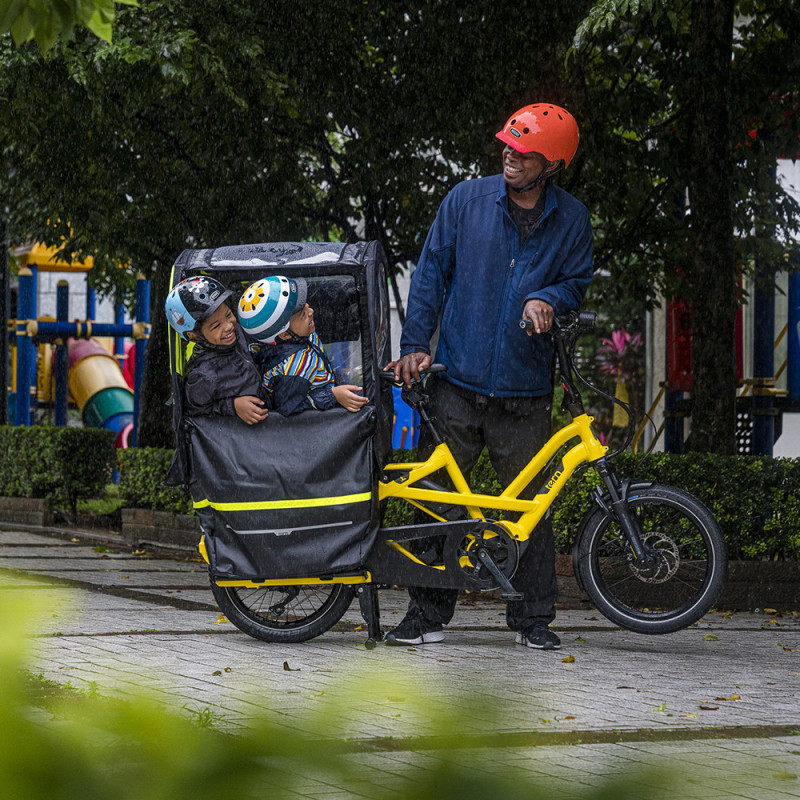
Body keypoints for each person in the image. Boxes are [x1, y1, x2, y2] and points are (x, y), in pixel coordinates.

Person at [387, 102, 594, 651]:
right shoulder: (465, 201)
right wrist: (414, 346)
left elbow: (576, 283)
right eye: (507, 143)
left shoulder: (572, 220)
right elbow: (430, 275)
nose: (509, 154)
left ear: (551, 165)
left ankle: (533, 621)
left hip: (525, 392)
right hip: (455, 382)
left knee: (532, 509)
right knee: (436, 499)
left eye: (524, 151)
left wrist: (547, 297)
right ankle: (425, 615)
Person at [238, 275, 369, 415]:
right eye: (302, 315)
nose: (311, 311)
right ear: (285, 335)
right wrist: (333, 396)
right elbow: (290, 407)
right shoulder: (293, 369)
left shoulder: (302, 334)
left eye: (306, 304)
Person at [165, 276, 268, 425]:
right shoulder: (205, 375)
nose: (228, 326)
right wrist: (233, 406)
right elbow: (191, 410)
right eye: (216, 326)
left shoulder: (239, 332)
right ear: (194, 336)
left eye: (228, 315)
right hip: (249, 438)